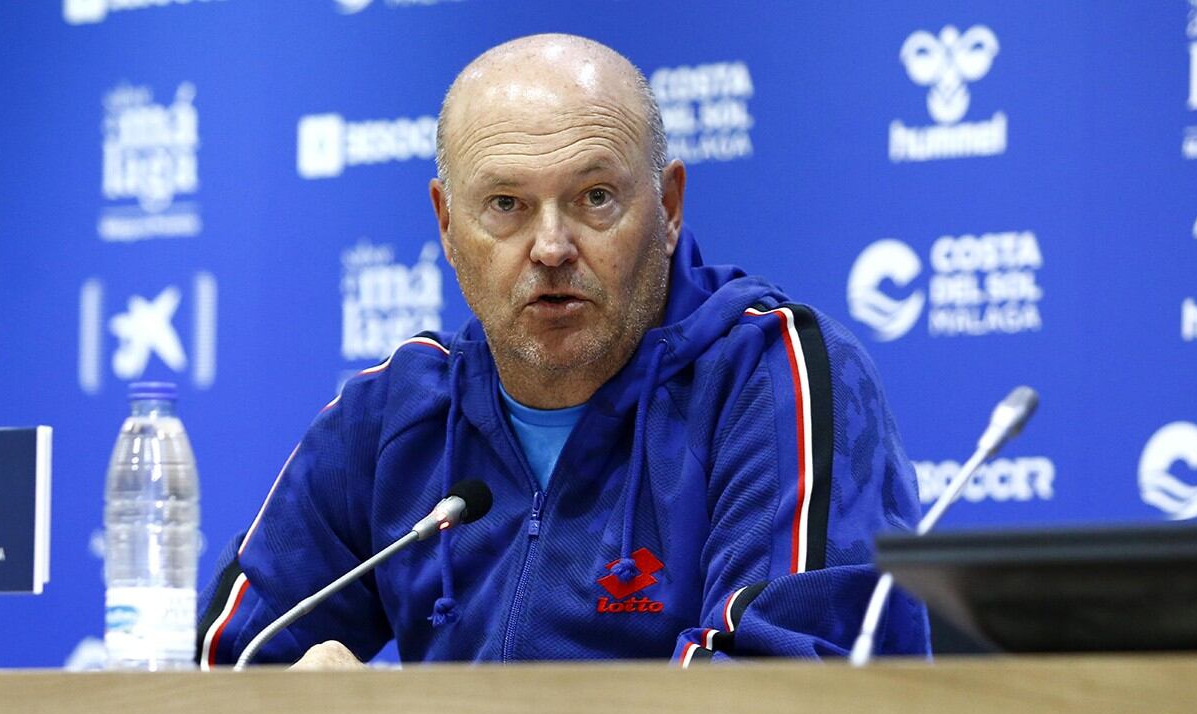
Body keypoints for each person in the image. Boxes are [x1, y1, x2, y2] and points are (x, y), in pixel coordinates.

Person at [198, 33, 928, 668]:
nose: (550, 248)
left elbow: (785, 690)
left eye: (595, 197)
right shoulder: (397, 414)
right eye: (507, 206)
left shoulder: (771, 378)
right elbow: (235, 659)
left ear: (668, 209)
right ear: (448, 226)